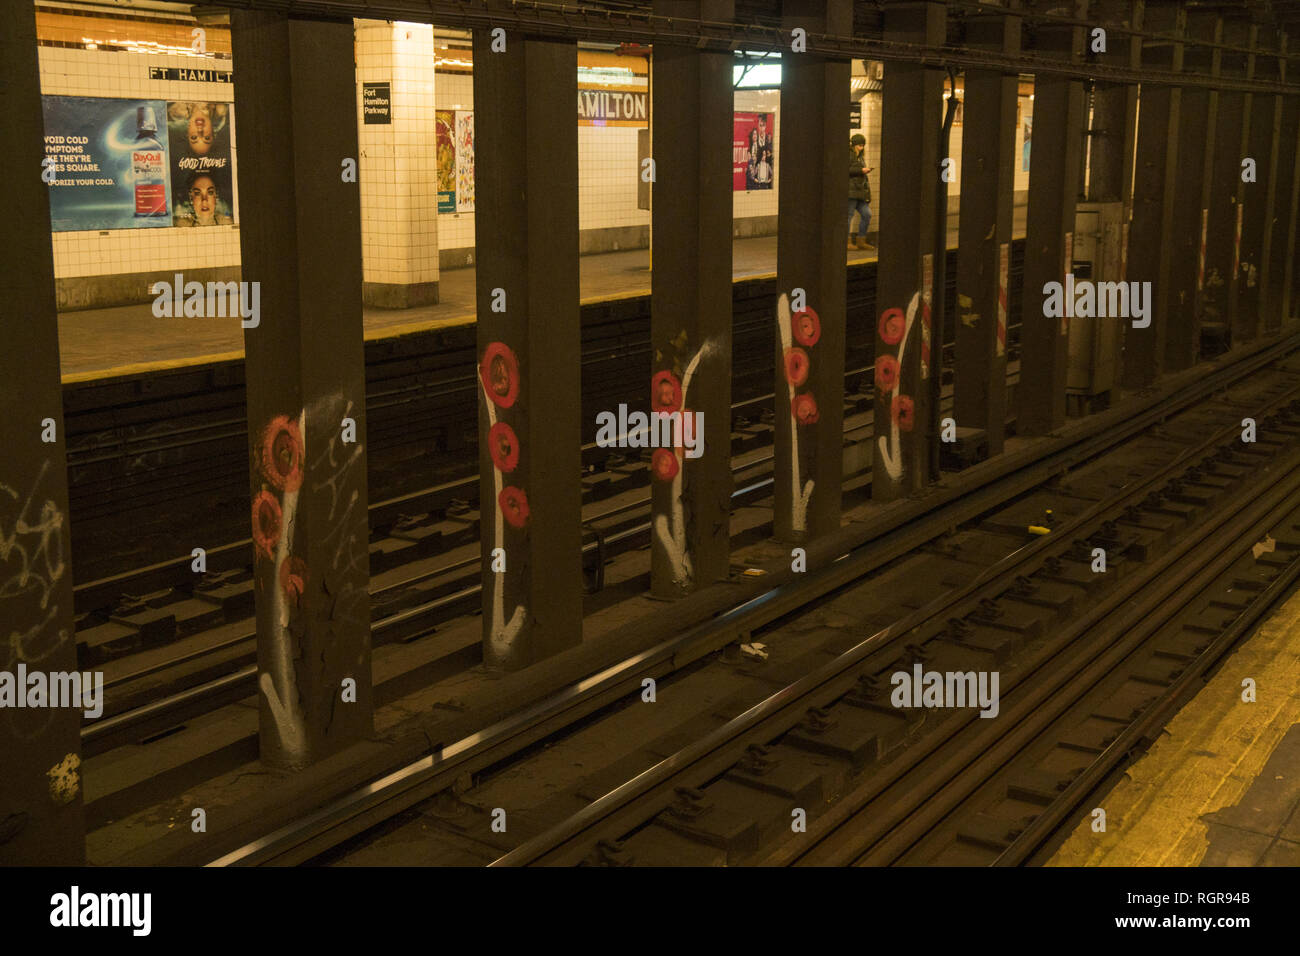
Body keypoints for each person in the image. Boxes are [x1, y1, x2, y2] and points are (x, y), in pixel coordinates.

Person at [848, 133, 874, 251]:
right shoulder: (849, 155)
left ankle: (861, 240)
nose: (862, 147)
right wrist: (861, 170)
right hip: (851, 191)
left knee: (867, 214)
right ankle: (846, 241)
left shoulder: (860, 157)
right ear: (853, 145)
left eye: (863, 145)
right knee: (848, 216)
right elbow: (846, 169)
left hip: (860, 191)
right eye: (859, 145)